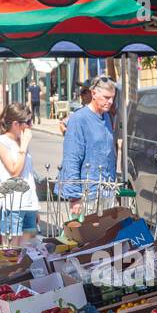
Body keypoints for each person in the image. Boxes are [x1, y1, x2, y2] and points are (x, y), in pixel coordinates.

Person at [58, 74, 117, 211]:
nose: (110, 102)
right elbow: (72, 157)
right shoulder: (79, 119)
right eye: (106, 97)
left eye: (112, 98)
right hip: (87, 194)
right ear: (94, 94)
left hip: (106, 192)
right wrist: (74, 196)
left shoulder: (107, 117)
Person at [0, 102, 39, 236]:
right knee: (13, 250)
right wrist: (23, 146)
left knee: (30, 250)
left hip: (29, 203)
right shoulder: (1, 142)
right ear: (16, 124)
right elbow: (14, 172)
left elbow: (28, 175)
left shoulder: (20, 142)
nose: (31, 125)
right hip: (13, 204)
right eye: (28, 122)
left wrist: (35, 207)